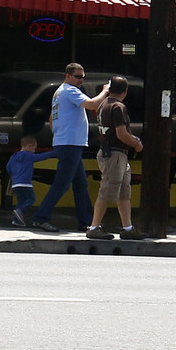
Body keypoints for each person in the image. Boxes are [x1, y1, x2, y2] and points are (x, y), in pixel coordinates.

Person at [31, 62, 113, 233]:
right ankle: (40, 218)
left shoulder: (59, 92)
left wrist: (59, 133)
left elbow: (52, 118)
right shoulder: (70, 91)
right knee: (62, 184)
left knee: (80, 183)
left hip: (68, 142)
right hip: (70, 144)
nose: (80, 80)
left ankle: (86, 221)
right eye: (77, 76)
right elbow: (91, 104)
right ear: (67, 76)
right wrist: (105, 92)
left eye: (83, 77)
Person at [87, 77, 147, 240]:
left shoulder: (103, 104)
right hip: (114, 154)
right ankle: (94, 228)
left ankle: (128, 228)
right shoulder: (118, 107)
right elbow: (121, 134)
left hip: (113, 153)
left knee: (123, 193)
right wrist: (136, 144)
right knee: (107, 191)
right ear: (125, 91)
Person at [6, 133, 58, 228]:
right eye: (34, 148)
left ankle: (16, 220)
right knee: (31, 199)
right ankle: (20, 211)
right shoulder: (28, 155)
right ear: (29, 146)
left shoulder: (14, 156)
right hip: (26, 183)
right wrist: (54, 152)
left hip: (15, 184)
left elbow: (8, 168)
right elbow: (41, 156)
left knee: (21, 201)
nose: (34, 151)